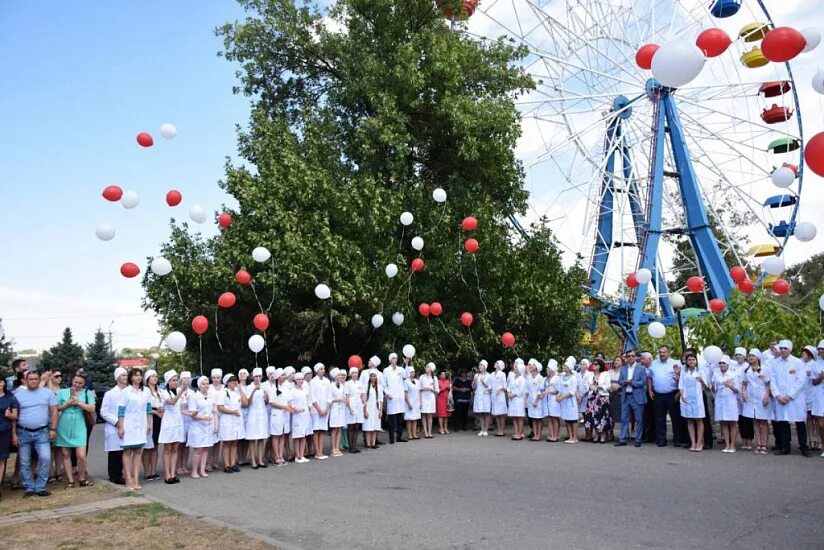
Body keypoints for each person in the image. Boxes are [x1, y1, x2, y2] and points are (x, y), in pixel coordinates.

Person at [14, 371, 58, 497]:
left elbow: (54, 411)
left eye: (35, 379)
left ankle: (40, 487)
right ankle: (29, 487)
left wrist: (53, 429)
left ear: (40, 380)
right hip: (23, 432)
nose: (33, 381)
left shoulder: (47, 393)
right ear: (25, 380)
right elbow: (14, 413)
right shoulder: (18, 395)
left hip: (42, 432)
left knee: (45, 458)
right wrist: (14, 433)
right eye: (30, 379)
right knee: (24, 461)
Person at [55, 372, 95, 488]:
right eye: (75, 382)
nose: (77, 385)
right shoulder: (62, 392)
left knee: (81, 455)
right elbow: (56, 408)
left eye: (80, 383)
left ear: (84, 384)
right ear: (72, 380)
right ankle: (70, 481)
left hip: (80, 424)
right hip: (64, 424)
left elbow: (92, 407)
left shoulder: (87, 393)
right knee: (65, 453)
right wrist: (67, 404)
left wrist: (79, 402)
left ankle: (82, 478)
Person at [770, 340, 809, 456]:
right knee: (783, 423)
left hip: (795, 398)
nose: (782, 350)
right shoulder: (775, 363)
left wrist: (790, 395)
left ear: (790, 350)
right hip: (780, 398)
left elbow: (801, 381)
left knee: (800, 423)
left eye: (785, 348)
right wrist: (777, 395)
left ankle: (803, 447)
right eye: (781, 348)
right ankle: (785, 447)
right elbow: (773, 380)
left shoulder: (798, 362)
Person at [117, 368, 152, 490]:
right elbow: (121, 411)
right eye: (135, 375)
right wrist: (121, 426)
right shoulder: (126, 392)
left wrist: (148, 423)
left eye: (140, 375)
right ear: (131, 377)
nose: (138, 378)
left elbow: (148, 409)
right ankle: (128, 479)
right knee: (127, 451)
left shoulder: (145, 391)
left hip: (140, 424)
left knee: (138, 451)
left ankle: (136, 479)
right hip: (128, 424)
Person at [647, 346, 683, 447]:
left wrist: (678, 379)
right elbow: (649, 377)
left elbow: (682, 379)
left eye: (664, 352)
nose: (662, 354)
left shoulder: (675, 363)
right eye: (660, 352)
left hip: (672, 394)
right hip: (658, 395)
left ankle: (677, 439)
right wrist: (650, 390)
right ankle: (661, 439)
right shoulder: (653, 364)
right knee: (659, 418)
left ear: (668, 353)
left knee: (675, 418)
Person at [741, 350, 772, 455]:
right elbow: (744, 383)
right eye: (749, 356)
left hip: (761, 396)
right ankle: (758, 443)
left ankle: (764, 445)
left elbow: (768, 384)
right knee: (755, 421)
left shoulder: (764, 369)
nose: (750, 358)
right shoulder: (746, 370)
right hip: (751, 398)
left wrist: (767, 395)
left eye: (753, 356)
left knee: (763, 421)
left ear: (758, 358)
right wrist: (744, 393)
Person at [158, 370, 185, 483]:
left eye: (176, 380)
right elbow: (172, 402)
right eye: (173, 380)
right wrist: (181, 392)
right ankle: (167, 474)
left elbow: (182, 405)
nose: (175, 382)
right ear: (168, 381)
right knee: (168, 449)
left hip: (178, 421)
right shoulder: (163, 392)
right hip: (168, 422)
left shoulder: (179, 390)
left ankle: (173, 473)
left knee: (175, 449)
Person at [101, 367, 127, 485]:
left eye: (126, 375)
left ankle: (122, 474)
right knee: (115, 452)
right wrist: (117, 422)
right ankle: (114, 475)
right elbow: (104, 412)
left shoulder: (129, 392)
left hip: (127, 425)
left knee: (125, 451)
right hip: (114, 426)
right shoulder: (110, 394)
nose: (125, 377)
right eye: (123, 375)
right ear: (117, 378)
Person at [615, 349, 647, 447]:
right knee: (624, 419)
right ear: (626, 358)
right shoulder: (623, 368)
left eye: (632, 356)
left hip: (636, 396)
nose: (630, 358)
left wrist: (632, 383)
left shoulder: (641, 368)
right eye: (628, 356)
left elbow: (643, 382)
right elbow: (619, 381)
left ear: (635, 357)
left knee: (639, 419)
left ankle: (638, 439)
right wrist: (624, 382)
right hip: (626, 396)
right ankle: (622, 439)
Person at [188, 376, 218, 478]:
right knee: (198, 450)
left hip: (208, 426)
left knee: (205, 449)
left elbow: (214, 412)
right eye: (203, 384)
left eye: (207, 384)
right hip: (198, 426)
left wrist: (216, 425)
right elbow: (192, 413)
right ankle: (194, 471)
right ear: (199, 385)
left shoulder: (211, 397)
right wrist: (203, 418)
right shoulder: (194, 397)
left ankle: (202, 470)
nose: (206, 386)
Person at [217, 374, 246, 473]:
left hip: (237, 420)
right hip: (227, 420)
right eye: (232, 381)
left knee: (234, 442)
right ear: (227, 383)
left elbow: (245, 403)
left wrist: (240, 389)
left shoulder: (237, 393)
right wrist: (232, 412)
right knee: (227, 443)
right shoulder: (223, 392)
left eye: (235, 381)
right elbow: (220, 407)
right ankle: (227, 465)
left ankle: (233, 463)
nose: (235, 383)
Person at [678, 354, 706, 452]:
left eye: (693, 359)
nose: (691, 361)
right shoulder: (684, 372)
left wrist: (702, 381)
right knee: (689, 420)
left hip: (697, 399)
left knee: (699, 420)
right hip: (686, 398)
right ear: (686, 362)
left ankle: (699, 442)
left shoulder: (700, 371)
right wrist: (682, 396)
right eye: (689, 360)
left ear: (696, 361)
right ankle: (693, 442)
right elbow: (681, 385)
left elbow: (706, 385)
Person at [713, 356, 740, 453]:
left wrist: (729, 385)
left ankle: (733, 444)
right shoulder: (716, 374)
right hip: (720, 400)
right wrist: (713, 386)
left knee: (732, 422)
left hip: (730, 400)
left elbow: (737, 390)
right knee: (723, 422)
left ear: (728, 364)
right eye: (720, 363)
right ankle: (727, 444)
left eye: (723, 363)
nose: (721, 365)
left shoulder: (733, 374)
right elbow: (714, 389)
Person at [244, 368, 269, 469]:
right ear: (252, 377)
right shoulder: (249, 387)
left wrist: (267, 398)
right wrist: (254, 390)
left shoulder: (264, 387)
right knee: (252, 438)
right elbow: (247, 402)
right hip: (253, 414)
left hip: (262, 413)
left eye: (259, 376)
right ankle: (253, 460)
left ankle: (260, 459)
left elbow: (266, 403)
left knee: (261, 438)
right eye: (256, 376)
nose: (258, 378)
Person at [267, 369, 292, 465]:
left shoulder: (286, 388)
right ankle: (276, 456)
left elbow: (289, 400)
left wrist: (289, 407)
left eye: (285, 375)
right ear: (277, 377)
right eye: (282, 375)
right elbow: (272, 403)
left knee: (282, 435)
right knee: (276, 435)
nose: (285, 376)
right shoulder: (272, 388)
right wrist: (284, 407)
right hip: (276, 414)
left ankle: (281, 455)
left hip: (285, 414)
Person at [584, 359, 612, 443]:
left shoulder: (605, 374)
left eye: (595, 364)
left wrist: (598, 385)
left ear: (600, 366)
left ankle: (603, 435)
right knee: (593, 417)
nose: (593, 365)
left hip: (602, 398)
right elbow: (586, 385)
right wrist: (590, 386)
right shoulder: (590, 374)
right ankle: (596, 434)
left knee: (602, 416)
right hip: (592, 398)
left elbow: (608, 386)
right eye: (593, 364)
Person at [142, 370, 163, 481]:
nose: (155, 378)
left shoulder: (159, 391)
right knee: (147, 447)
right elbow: (144, 406)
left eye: (156, 376)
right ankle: (147, 471)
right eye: (152, 376)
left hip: (159, 417)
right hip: (150, 417)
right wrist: (155, 412)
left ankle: (154, 471)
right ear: (147, 378)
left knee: (155, 445)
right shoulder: (145, 391)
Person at [0, 376, 19, 495]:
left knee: (1, 459)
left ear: (4, 383)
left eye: (0, 382)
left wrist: (9, 415)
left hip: (4, 432)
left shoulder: (10, 398)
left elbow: (15, 417)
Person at [733, 347, 754, 451]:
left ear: (744, 356)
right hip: (736, 396)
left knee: (747, 418)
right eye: (736, 355)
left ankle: (749, 439)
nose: (738, 357)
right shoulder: (734, 367)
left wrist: (744, 392)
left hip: (746, 395)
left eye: (740, 355)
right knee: (740, 419)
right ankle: (743, 439)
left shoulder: (748, 367)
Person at [383, 354, 407, 443]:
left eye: (396, 358)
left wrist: (407, 364)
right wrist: (387, 393)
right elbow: (384, 384)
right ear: (390, 360)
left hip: (399, 397)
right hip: (391, 397)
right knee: (391, 418)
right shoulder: (386, 370)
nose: (395, 360)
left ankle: (399, 437)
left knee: (400, 418)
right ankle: (391, 438)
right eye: (393, 358)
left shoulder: (401, 369)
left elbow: (406, 376)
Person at [801, 346, 821, 451]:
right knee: (808, 417)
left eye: (805, 352)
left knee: (816, 417)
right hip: (805, 394)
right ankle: (811, 439)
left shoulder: (814, 364)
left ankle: (819, 439)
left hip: (814, 393)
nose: (803, 354)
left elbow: (816, 379)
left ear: (810, 354)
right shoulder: (802, 364)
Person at [309, 363, 331, 459]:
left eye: (324, 368)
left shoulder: (327, 381)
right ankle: (317, 452)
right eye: (321, 369)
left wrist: (326, 408)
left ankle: (321, 451)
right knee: (316, 430)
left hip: (325, 409)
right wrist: (319, 410)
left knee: (322, 430)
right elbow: (312, 397)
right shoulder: (313, 382)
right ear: (316, 371)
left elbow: (330, 396)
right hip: (316, 409)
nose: (323, 370)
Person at [290, 372, 312, 463]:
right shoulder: (292, 390)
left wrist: (310, 409)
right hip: (297, 415)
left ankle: (302, 455)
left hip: (305, 415)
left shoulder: (305, 390)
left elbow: (308, 401)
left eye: (302, 379)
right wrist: (296, 409)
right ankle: (297, 455)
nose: (301, 381)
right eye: (299, 379)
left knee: (303, 435)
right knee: (297, 435)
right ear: (295, 380)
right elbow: (290, 403)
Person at [557, 358, 579, 443]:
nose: (564, 367)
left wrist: (562, 397)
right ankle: (570, 436)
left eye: (566, 366)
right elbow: (560, 388)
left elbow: (572, 391)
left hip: (570, 401)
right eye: (564, 366)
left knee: (573, 419)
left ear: (570, 368)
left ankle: (574, 437)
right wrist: (558, 396)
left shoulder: (573, 378)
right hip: (564, 402)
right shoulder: (562, 377)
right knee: (567, 419)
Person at [327, 368, 347, 457]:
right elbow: (329, 399)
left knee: (339, 429)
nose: (340, 376)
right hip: (334, 409)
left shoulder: (342, 386)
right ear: (334, 376)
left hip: (341, 409)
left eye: (341, 375)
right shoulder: (330, 386)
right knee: (334, 429)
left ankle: (337, 447)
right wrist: (338, 399)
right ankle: (333, 448)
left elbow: (344, 395)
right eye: (339, 375)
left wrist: (344, 399)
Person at [345, 367, 365, 453]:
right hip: (351, 405)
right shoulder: (347, 383)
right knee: (351, 426)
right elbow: (347, 396)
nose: (354, 374)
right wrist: (349, 408)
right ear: (350, 374)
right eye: (353, 373)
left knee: (357, 426)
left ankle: (355, 445)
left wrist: (364, 404)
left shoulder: (360, 383)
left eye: (356, 373)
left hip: (359, 406)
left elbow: (363, 394)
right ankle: (351, 447)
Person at [176, 371, 193, 475]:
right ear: (181, 380)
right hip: (180, 419)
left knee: (186, 445)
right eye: (184, 378)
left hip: (189, 420)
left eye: (188, 378)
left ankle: (184, 466)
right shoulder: (177, 390)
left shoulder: (192, 392)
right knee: (179, 444)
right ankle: (178, 467)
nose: (186, 380)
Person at [363, 371, 384, 450]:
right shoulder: (366, 386)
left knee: (375, 426)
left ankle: (373, 443)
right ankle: (368, 444)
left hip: (376, 408)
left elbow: (381, 399)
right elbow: (364, 399)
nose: (373, 377)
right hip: (368, 408)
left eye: (374, 376)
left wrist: (381, 410)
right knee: (368, 427)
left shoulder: (380, 387)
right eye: (371, 376)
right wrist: (365, 410)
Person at [507, 360, 526, 440]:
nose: (514, 368)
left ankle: (520, 434)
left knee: (519, 417)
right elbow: (509, 386)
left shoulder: (522, 379)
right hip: (512, 400)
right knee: (514, 417)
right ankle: (516, 432)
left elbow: (521, 390)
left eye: (516, 367)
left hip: (518, 399)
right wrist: (508, 393)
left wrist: (513, 394)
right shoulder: (512, 377)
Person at [526, 359, 545, 441]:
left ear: (537, 368)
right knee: (533, 417)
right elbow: (527, 389)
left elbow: (540, 390)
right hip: (530, 401)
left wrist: (536, 400)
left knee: (538, 418)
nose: (531, 366)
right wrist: (526, 400)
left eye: (533, 365)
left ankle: (538, 435)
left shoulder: (540, 378)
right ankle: (535, 434)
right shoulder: (528, 377)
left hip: (538, 401)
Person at [472, 360, 492, 436]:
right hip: (478, 396)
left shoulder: (489, 375)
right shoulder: (476, 375)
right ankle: (482, 429)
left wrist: (484, 383)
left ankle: (486, 429)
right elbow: (474, 387)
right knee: (480, 413)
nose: (480, 366)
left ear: (485, 367)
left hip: (486, 396)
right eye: (479, 365)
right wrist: (474, 381)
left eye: (481, 365)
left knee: (486, 413)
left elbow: (491, 387)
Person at [811, 340, 824, 457]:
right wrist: (820, 377)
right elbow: (813, 382)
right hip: (820, 395)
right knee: (821, 424)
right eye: (820, 349)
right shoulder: (815, 363)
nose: (821, 351)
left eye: (823, 349)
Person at [543, 360, 561, 442]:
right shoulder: (546, 379)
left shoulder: (557, 378)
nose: (547, 370)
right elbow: (544, 388)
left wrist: (549, 391)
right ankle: (551, 434)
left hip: (554, 400)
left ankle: (556, 435)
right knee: (549, 418)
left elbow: (558, 390)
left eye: (548, 368)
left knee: (554, 418)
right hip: (547, 400)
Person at [419, 363, 437, 439]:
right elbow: (418, 388)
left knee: (430, 415)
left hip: (431, 397)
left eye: (428, 367)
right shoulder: (421, 377)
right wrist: (424, 388)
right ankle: (425, 432)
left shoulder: (434, 378)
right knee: (423, 415)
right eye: (426, 366)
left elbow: (437, 390)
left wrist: (431, 389)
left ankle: (429, 432)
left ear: (431, 369)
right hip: (423, 397)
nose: (426, 368)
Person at [490, 360, 508, 436]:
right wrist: (488, 388)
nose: (495, 364)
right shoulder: (492, 374)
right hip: (494, 395)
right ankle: (499, 430)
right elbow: (490, 384)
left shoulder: (502, 374)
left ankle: (502, 431)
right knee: (496, 413)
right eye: (495, 362)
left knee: (501, 414)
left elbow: (505, 385)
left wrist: (499, 389)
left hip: (500, 395)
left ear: (500, 365)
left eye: (497, 363)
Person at [403, 366, 421, 440]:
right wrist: (408, 403)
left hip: (416, 402)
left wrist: (420, 402)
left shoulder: (417, 381)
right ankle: (410, 435)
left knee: (415, 419)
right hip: (409, 402)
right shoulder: (406, 381)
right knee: (409, 419)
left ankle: (414, 434)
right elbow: (405, 393)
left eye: (413, 372)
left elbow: (419, 392)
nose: (413, 373)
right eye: (411, 372)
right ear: (408, 373)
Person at [607, 357, 623, 441]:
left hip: (620, 396)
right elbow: (605, 382)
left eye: (618, 360)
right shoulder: (609, 372)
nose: (616, 362)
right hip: (611, 395)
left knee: (621, 415)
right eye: (615, 360)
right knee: (610, 415)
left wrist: (619, 386)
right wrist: (609, 387)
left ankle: (622, 435)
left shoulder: (623, 372)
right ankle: (610, 433)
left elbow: (626, 382)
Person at [436, 370, 452, 435]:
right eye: (442, 374)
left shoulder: (448, 381)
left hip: (446, 399)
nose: (443, 376)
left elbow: (451, 389)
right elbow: (437, 391)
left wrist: (449, 388)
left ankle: (445, 428)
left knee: (446, 415)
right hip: (440, 399)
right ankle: (441, 428)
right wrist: (443, 388)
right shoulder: (438, 381)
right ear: (439, 375)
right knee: (441, 415)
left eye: (444, 374)